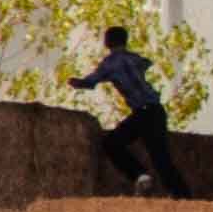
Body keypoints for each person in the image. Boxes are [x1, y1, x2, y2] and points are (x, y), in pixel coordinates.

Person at [68, 27, 192, 198]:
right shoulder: (134, 58)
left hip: (142, 113)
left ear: (107, 42)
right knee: (160, 158)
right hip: (156, 111)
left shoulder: (110, 63)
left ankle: (140, 175)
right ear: (125, 41)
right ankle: (182, 196)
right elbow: (147, 63)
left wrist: (76, 82)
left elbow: (91, 82)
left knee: (111, 144)